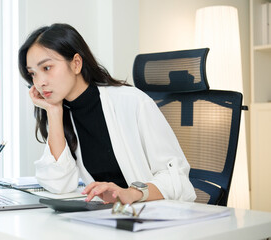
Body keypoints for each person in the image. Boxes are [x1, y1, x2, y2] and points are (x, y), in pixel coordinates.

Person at [18, 23, 196, 205]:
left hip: (155, 218)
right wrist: (54, 112)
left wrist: (132, 193)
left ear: (76, 63)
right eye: (32, 74)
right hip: (110, 217)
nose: (40, 82)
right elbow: (59, 184)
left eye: (47, 68)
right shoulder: (64, 113)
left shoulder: (132, 101)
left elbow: (178, 178)